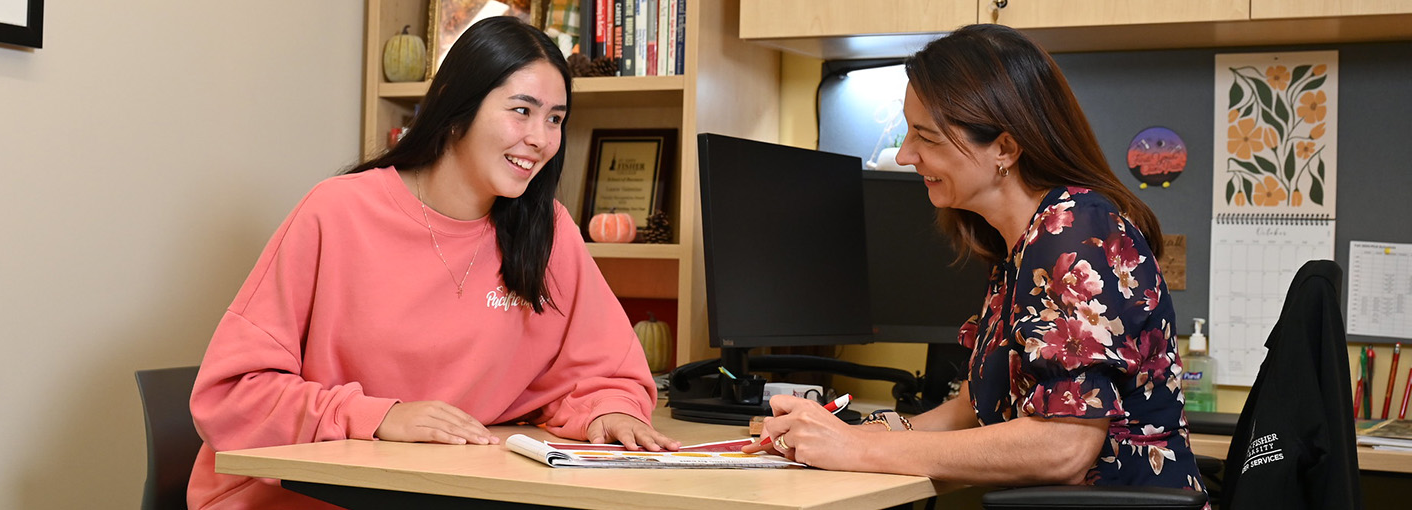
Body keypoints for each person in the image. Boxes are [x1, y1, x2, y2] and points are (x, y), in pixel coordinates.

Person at [187, 16, 679, 509]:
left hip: (445, 491)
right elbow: (233, 394)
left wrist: (610, 413)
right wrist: (379, 416)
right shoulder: (336, 212)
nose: (540, 138)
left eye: (554, 118)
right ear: (456, 105)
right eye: (522, 110)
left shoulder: (546, 231)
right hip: (299, 494)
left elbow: (605, 371)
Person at [745, 23, 1207, 497]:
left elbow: (1063, 446)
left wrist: (858, 450)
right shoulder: (1025, 242)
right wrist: (854, 435)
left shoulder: (1075, 233)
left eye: (926, 137)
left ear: (1004, 147)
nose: (905, 155)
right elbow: (975, 404)